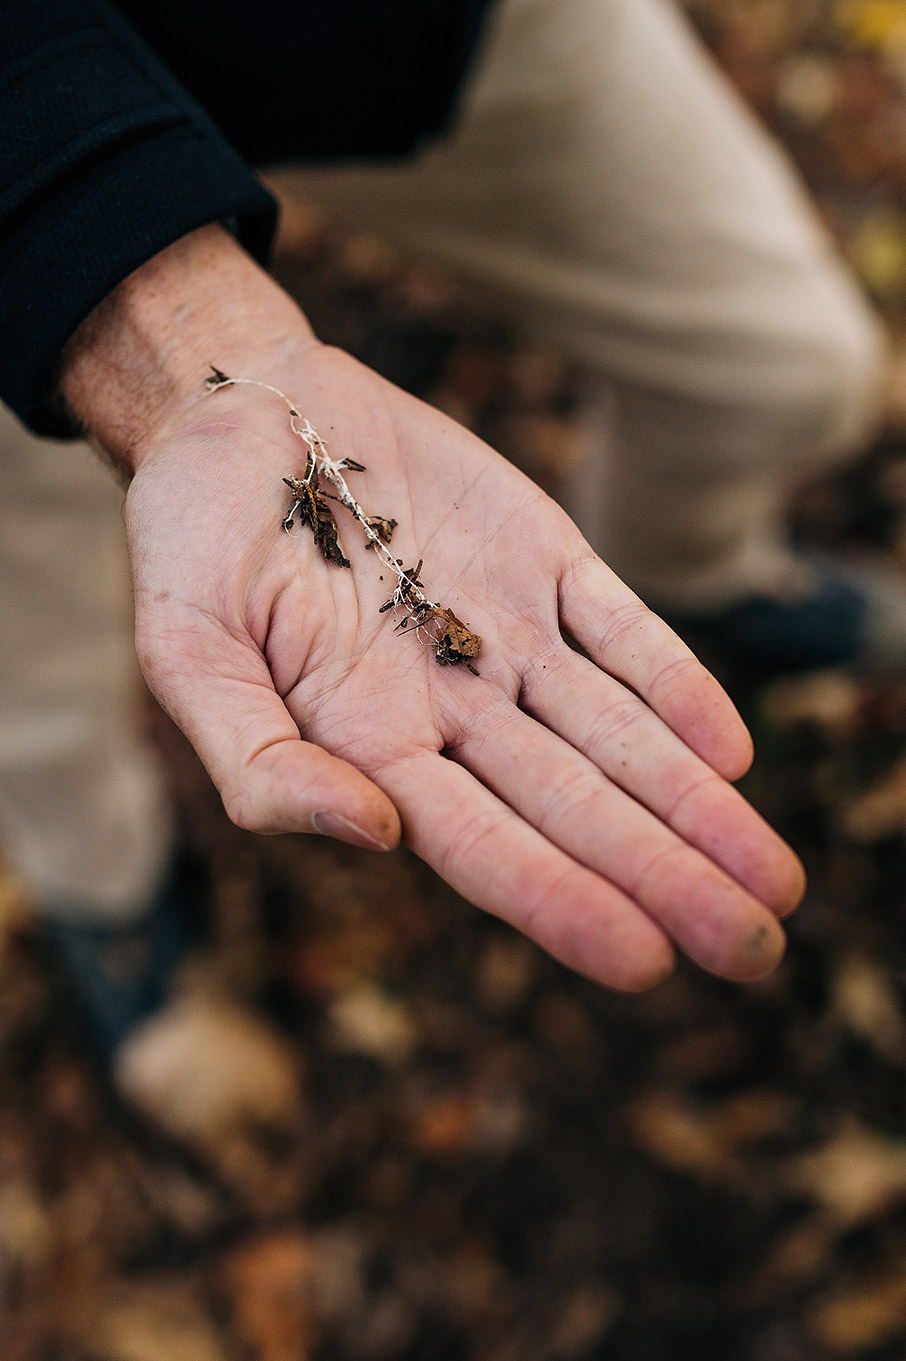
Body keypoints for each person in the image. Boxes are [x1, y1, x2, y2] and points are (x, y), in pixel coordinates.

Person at [0, 0, 881, 1092]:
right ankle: (102, 885)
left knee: (782, 371)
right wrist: (90, 247)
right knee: (25, 634)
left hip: (445, 32)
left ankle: (685, 574)